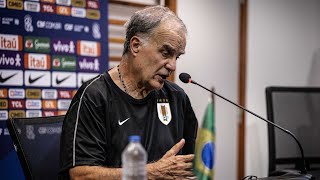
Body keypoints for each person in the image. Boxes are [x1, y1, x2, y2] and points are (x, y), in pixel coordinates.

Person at [59, 5, 198, 179]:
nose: (172, 65)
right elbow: (80, 175)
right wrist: (150, 173)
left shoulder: (177, 98)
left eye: (176, 57)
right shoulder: (95, 96)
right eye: (165, 53)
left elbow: (187, 169)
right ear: (135, 45)